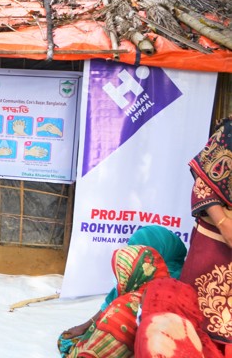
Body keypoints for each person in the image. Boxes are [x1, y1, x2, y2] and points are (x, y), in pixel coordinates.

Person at [58, 225, 188, 350]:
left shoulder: (180, 285)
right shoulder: (140, 275)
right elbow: (114, 299)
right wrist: (86, 326)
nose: (138, 256)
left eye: (143, 252)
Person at [178, 117, 232, 354]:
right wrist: (224, 223)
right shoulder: (230, 133)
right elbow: (204, 181)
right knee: (194, 323)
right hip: (215, 242)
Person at [62, 245, 170, 357]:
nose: (118, 280)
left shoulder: (125, 306)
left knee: (65, 341)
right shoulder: (173, 293)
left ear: (132, 274)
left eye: (120, 273)